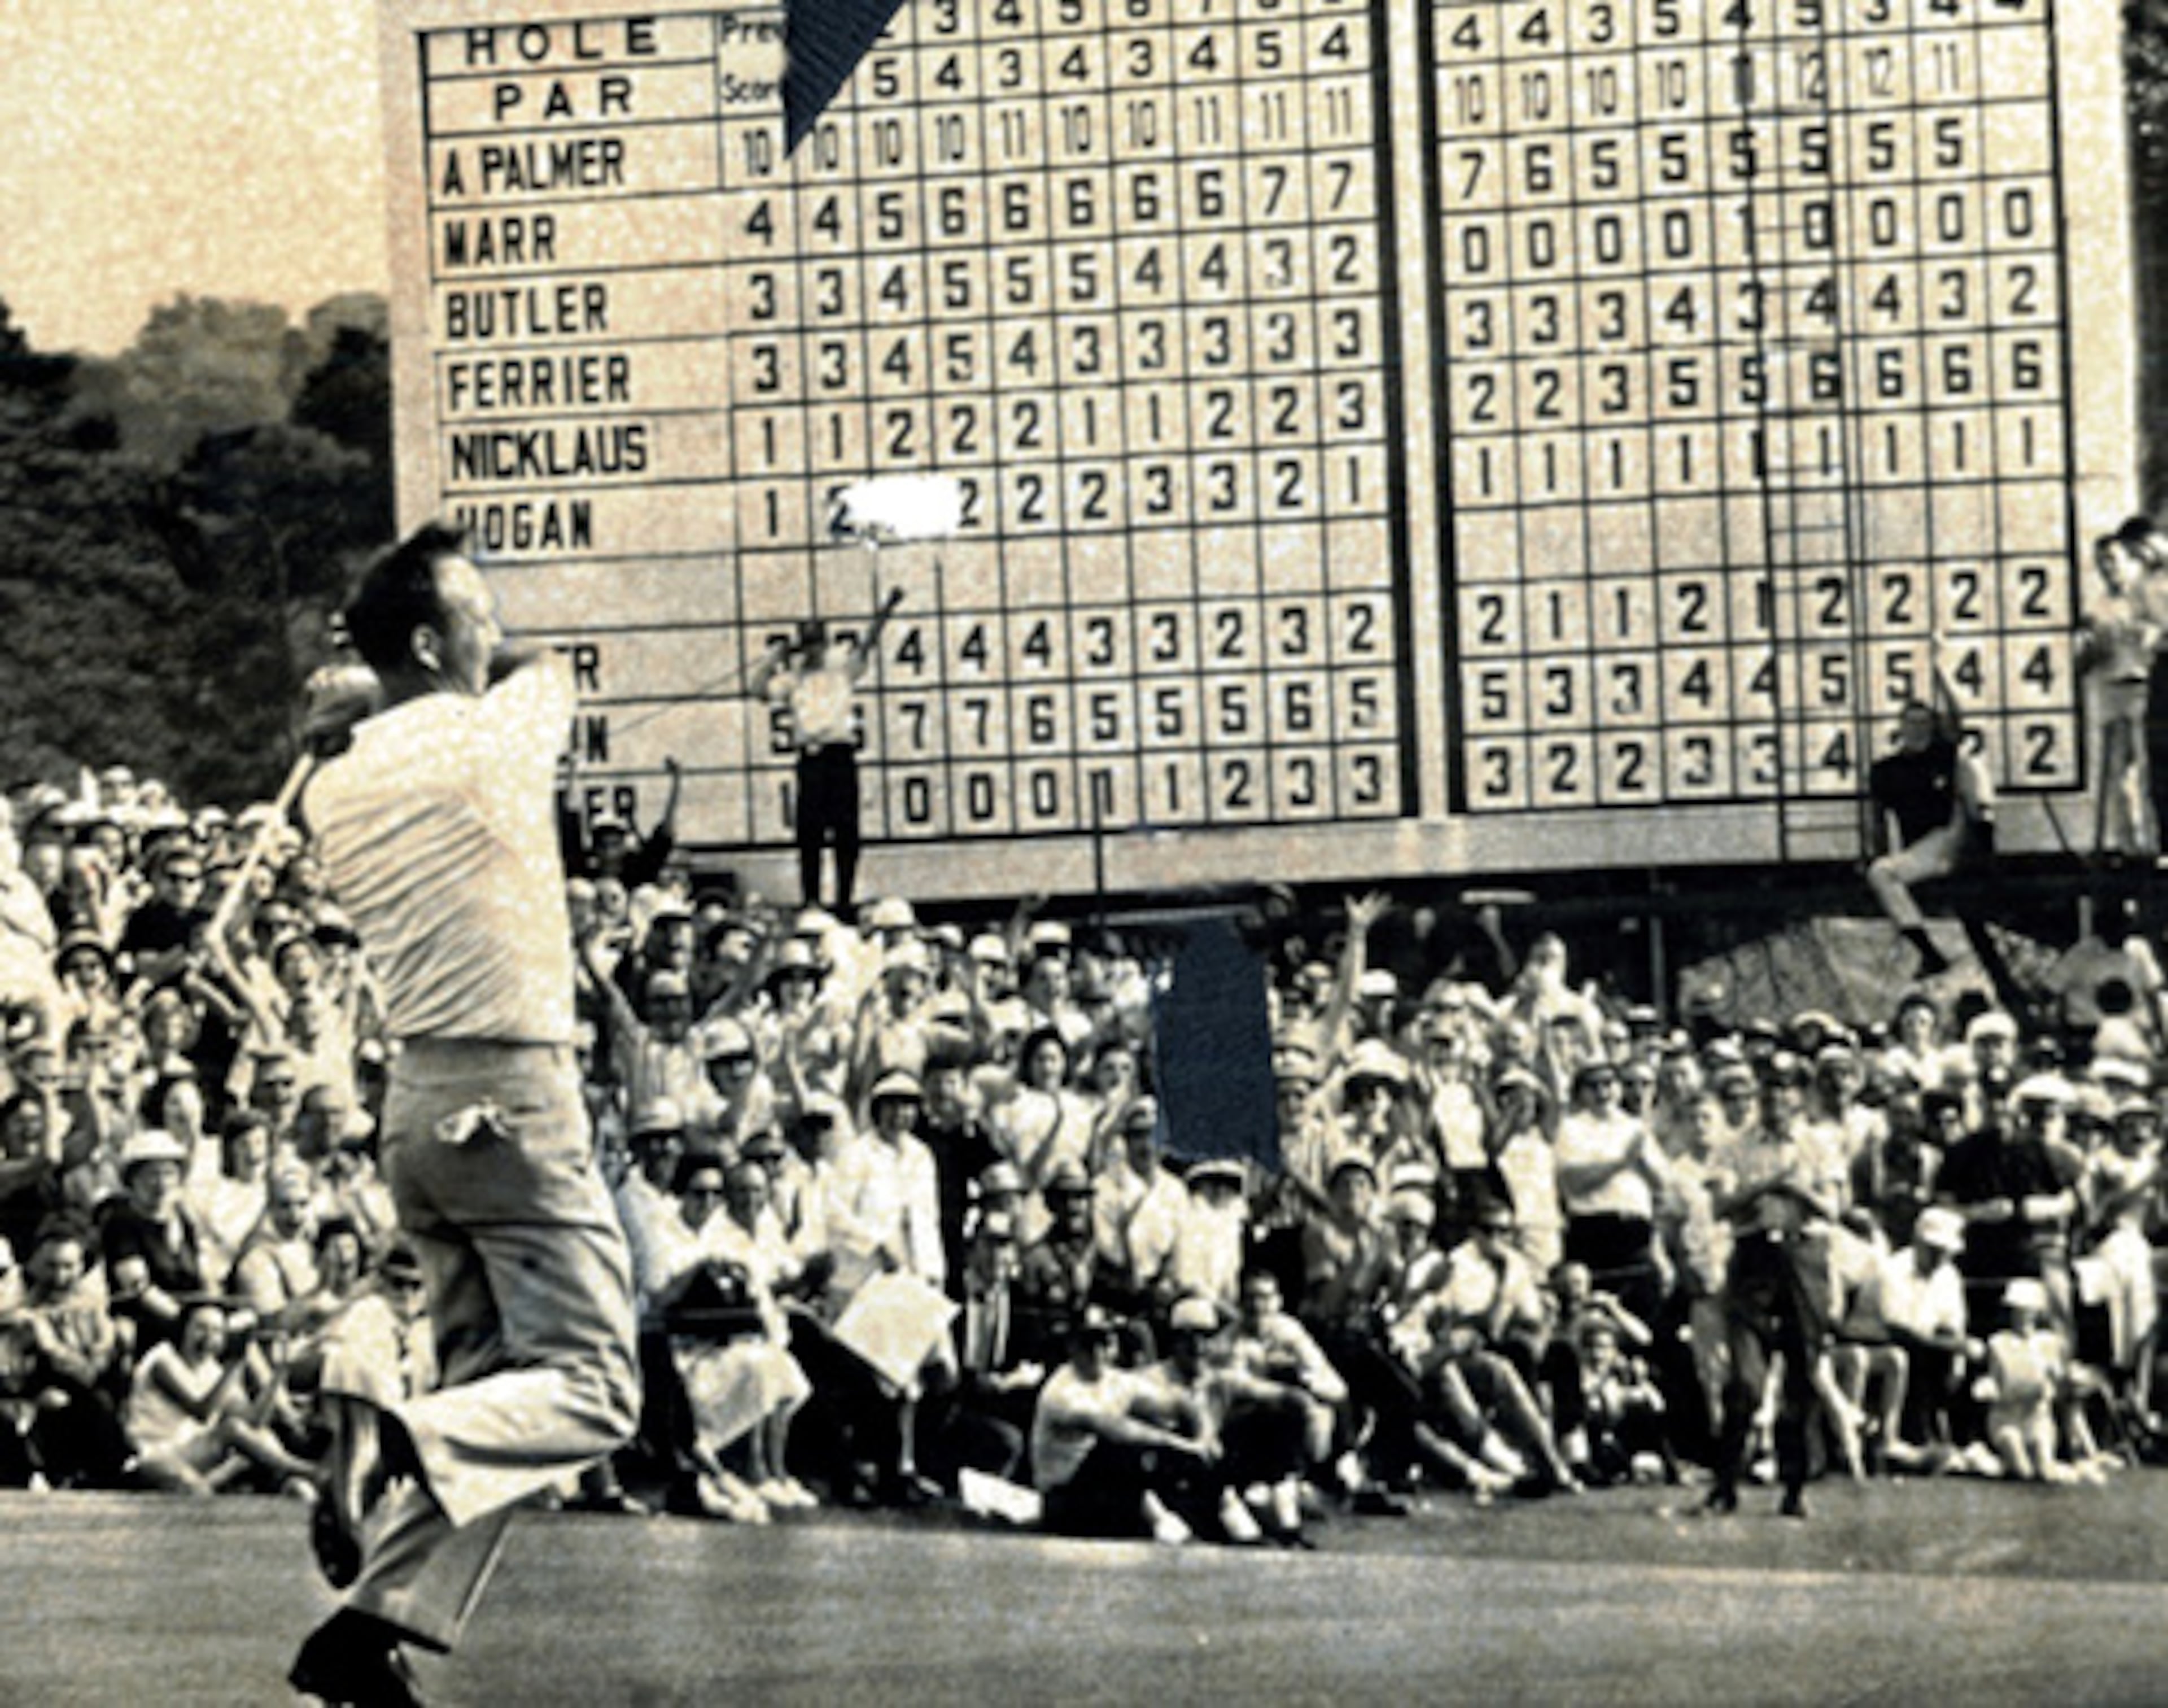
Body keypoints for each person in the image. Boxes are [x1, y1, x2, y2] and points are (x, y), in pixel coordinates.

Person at [291, 522, 639, 1704]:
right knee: (593, 1387)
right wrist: (424, 669)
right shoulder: (493, 733)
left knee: (492, 1388)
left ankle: (373, 1621)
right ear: (435, 640)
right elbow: (550, 670)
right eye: (474, 611)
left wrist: (368, 689)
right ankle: (394, 1436)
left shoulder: (333, 786)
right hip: (514, 1095)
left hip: (419, 1104)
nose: (495, 625)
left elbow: (418, 689)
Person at [747, 590, 906, 913]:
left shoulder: (842, 670)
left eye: (817, 644)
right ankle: (812, 900)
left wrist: (886, 609)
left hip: (839, 755)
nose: (813, 652)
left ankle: (844, 898)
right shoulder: (792, 680)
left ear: (826, 644)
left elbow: (869, 641)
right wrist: (776, 658)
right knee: (810, 835)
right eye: (807, 646)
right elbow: (757, 689)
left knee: (846, 832)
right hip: (811, 758)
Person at [1865, 695, 1995, 977]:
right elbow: (1878, 820)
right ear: (1900, 726)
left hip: (1951, 836)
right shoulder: (1887, 769)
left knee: (1882, 873)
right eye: (1912, 722)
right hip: (1921, 848)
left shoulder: (1949, 757)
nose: (1918, 729)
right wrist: (1880, 851)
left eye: (1924, 722)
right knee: (1882, 873)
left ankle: (1929, 954)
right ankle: (1927, 951)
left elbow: (1976, 802)